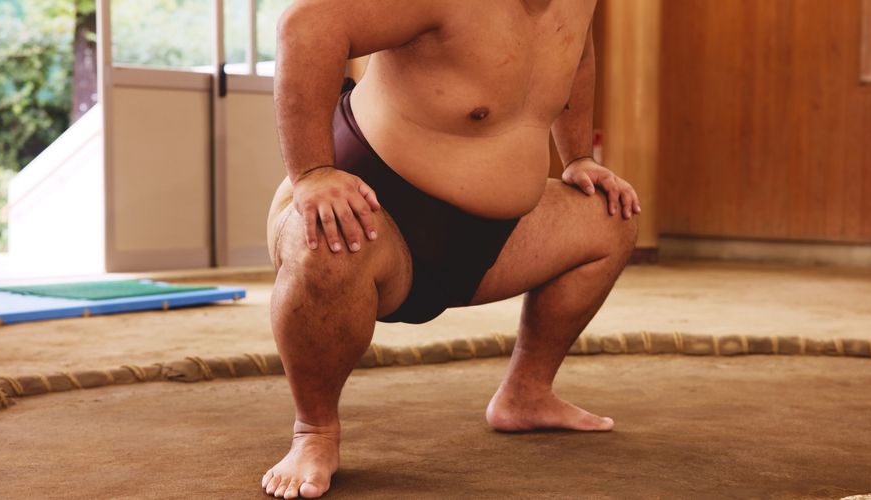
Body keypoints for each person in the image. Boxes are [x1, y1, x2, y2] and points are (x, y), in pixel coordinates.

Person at [263, 0, 640, 497]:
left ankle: (526, 395)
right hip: (375, 212)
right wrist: (312, 172)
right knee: (329, 244)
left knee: (611, 214)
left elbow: (579, 55)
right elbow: (306, 24)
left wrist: (576, 157)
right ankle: (315, 431)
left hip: (493, 238)